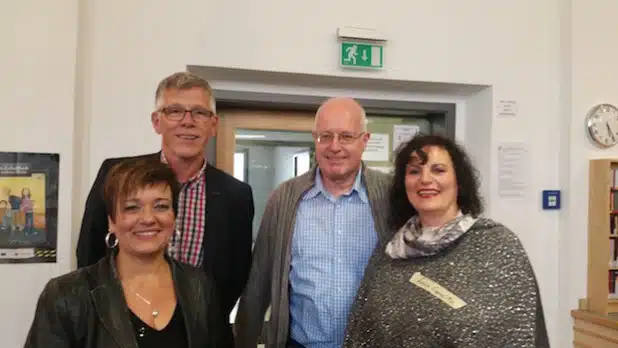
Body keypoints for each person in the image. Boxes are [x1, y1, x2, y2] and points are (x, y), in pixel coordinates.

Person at [76, 71, 254, 347]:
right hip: (117, 331)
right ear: (157, 121)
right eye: (175, 111)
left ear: (213, 124)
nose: (188, 121)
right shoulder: (118, 174)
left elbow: (236, 273)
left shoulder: (236, 195)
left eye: (199, 113)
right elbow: (88, 250)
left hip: (198, 335)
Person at [343, 134, 550, 348]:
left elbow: (519, 333)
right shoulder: (389, 252)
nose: (425, 179)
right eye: (414, 171)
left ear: (458, 181)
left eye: (438, 170)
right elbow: (363, 333)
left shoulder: (498, 246)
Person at [234, 97, 392, 348]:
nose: (335, 146)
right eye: (325, 136)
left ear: (365, 140)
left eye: (346, 137)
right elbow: (259, 280)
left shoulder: (391, 197)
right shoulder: (285, 198)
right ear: (314, 138)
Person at [24, 158, 224, 348]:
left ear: (174, 217)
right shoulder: (64, 295)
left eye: (161, 206)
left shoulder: (199, 286)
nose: (148, 218)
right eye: (132, 208)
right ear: (112, 221)